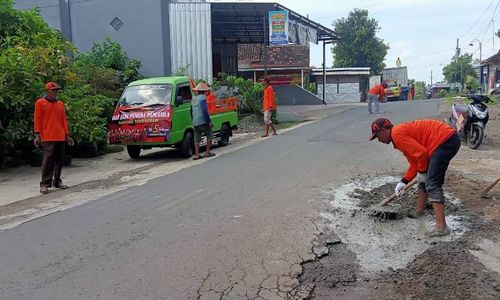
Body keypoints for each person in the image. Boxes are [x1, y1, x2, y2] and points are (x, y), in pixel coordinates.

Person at [369, 118, 461, 237]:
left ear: (383, 130)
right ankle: (419, 212)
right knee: (424, 179)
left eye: (377, 136)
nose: (379, 140)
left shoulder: (397, 134)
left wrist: (422, 172)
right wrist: (404, 181)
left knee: (432, 183)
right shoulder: (398, 134)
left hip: (444, 140)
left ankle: (441, 227)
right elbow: (415, 161)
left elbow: (421, 154)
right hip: (443, 140)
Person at [34, 82, 75, 194]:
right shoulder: (40, 103)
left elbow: (63, 121)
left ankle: (57, 181)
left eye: (57, 90)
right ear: (48, 91)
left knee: (60, 160)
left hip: (60, 136)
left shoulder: (60, 104)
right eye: (54, 90)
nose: (56, 92)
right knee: (48, 161)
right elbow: (37, 119)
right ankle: (44, 184)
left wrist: (66, 135)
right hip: (47, 136)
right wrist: (37, 135)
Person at [191, 82, 215, 160]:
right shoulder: (203, 98)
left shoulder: (193, 99)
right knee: (210, 135)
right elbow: (204, 110)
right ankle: (207, 152)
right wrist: (209, 121)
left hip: (195, 122)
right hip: (202, 121)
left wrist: (193, 120)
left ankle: (197, 155)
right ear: (205, 91)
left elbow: (190, 111)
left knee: (196, 138)